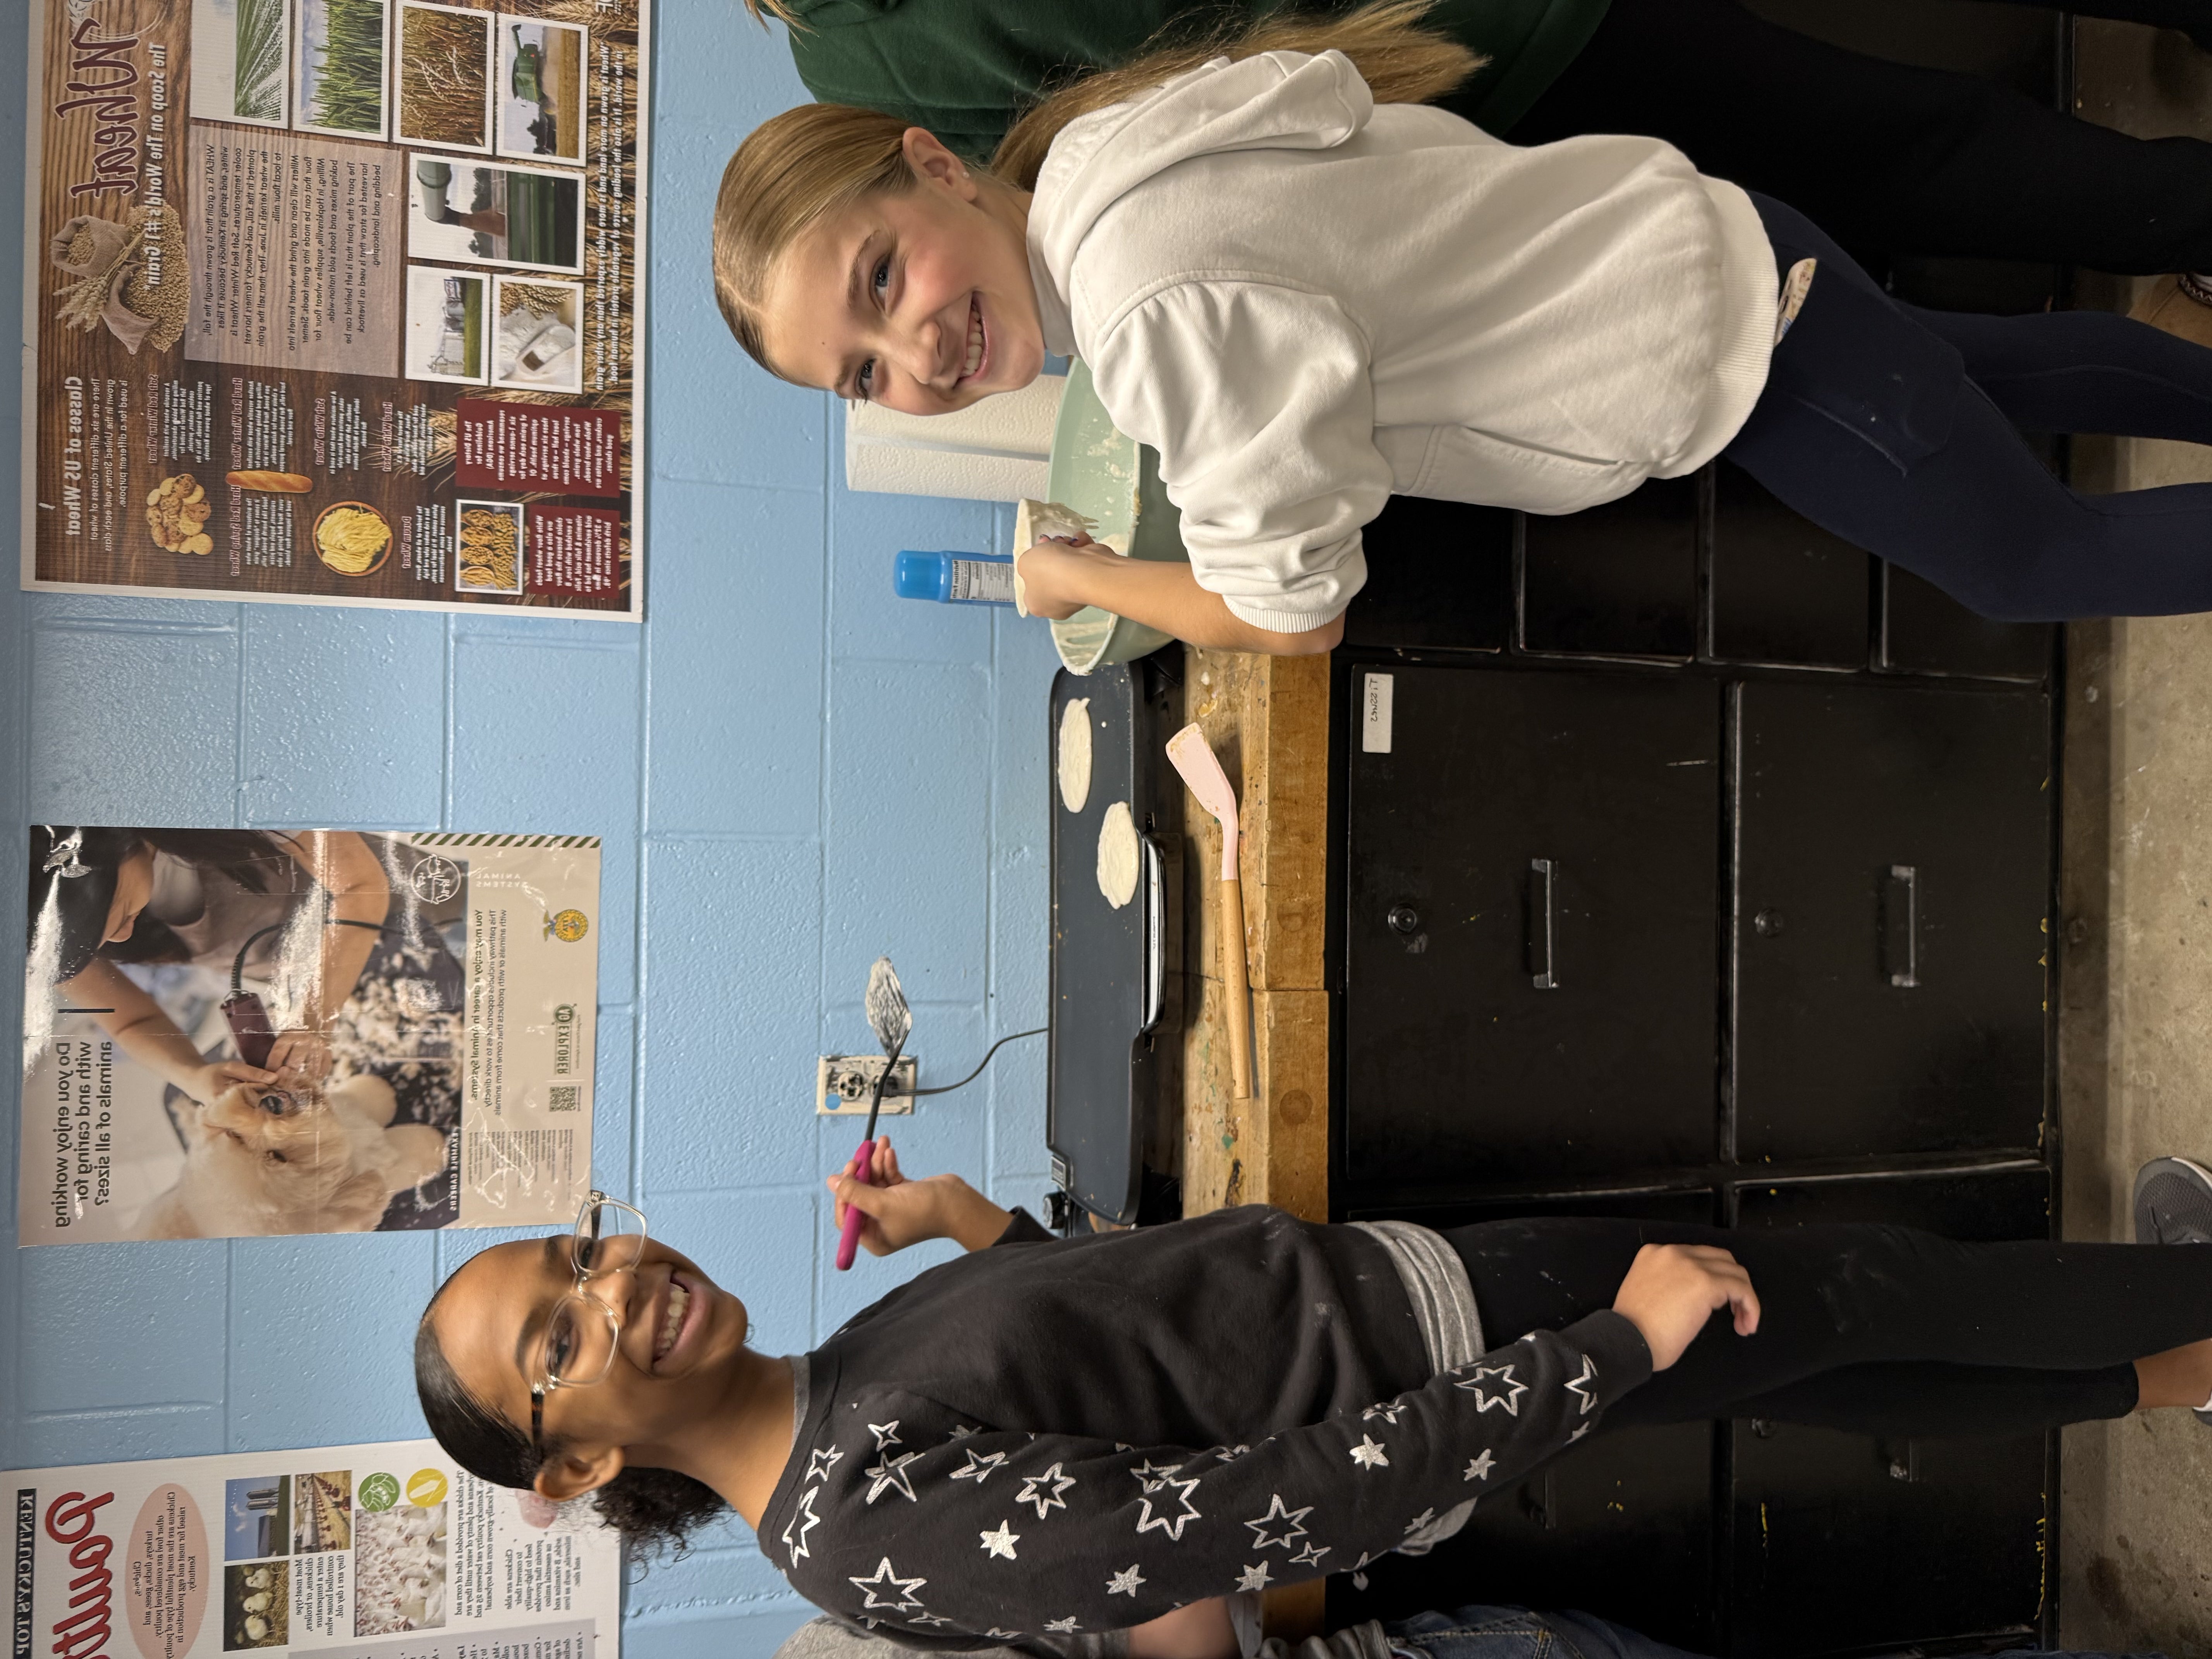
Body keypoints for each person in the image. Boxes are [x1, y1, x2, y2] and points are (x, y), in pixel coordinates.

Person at [713, 7, 2212, 659]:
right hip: (1709, 246)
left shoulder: (1145, 318)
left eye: (881, 280)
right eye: (863, 373)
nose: (914, 354)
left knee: (2032, 564)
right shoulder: (1101, 153)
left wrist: (1080, 578)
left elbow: (1295, 613)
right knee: (1988, 368)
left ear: (932, 163)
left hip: (1716, 346)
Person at [412, 1138, 2212, 1647]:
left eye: (579, 1250)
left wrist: (983, 1230)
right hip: (1478, 1356)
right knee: (1882, 1291)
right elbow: (1261, 1513)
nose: (615, 1285)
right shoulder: (857, 1529)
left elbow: (1142, 1358)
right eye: (557, 1341)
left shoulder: (832, 1386)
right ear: (571, 1471)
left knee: (1853, 1355)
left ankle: (2183, 1363)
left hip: (1444, 1318)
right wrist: (1609, 1350)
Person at [756, 0, 2212, 344]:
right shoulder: (854, 70)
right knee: (1885, 143)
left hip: (1461, 52)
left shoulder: (863, 69)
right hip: (1452, 59)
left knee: (1893, 154)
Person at [24, 824, 395, 1100]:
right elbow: (130, 1020)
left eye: (121, 915)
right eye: (103, 944)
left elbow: (362, 888)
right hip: (305, 977)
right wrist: (194, 1077)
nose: (122, 938)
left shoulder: (230, 800)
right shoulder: (40, 937)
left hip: (392, 903)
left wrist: (314, 1015)